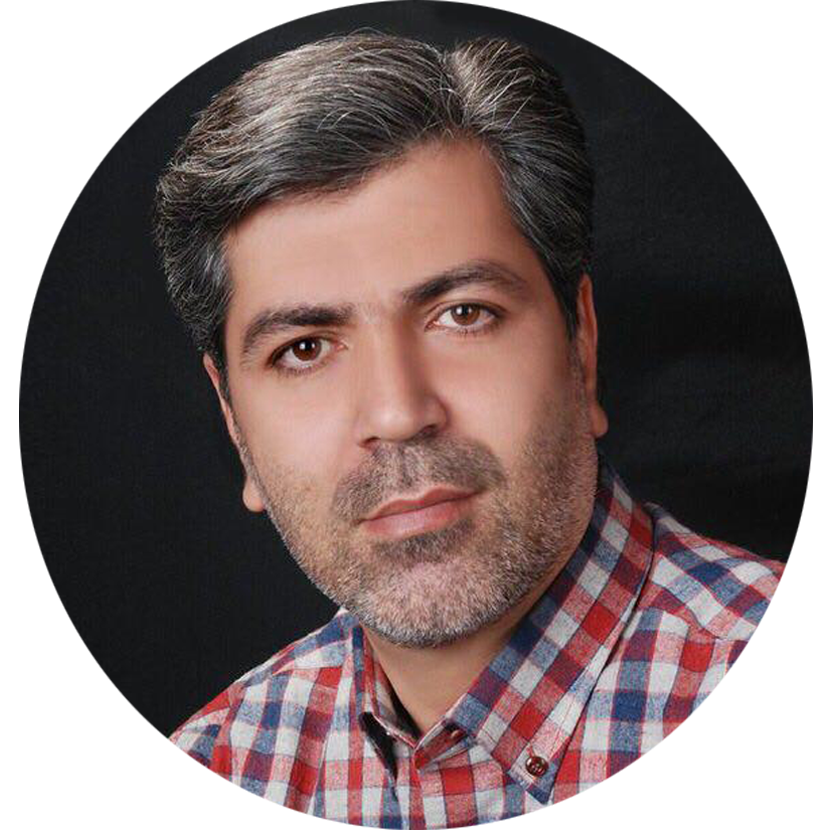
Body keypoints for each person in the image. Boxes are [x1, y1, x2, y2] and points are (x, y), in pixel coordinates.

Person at [153, 30, 812, 830]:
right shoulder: (227, 769)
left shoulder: (790, 696)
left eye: (463, 314)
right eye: (305, 350)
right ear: (234, 422)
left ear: (581, 343)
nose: (398, 413)